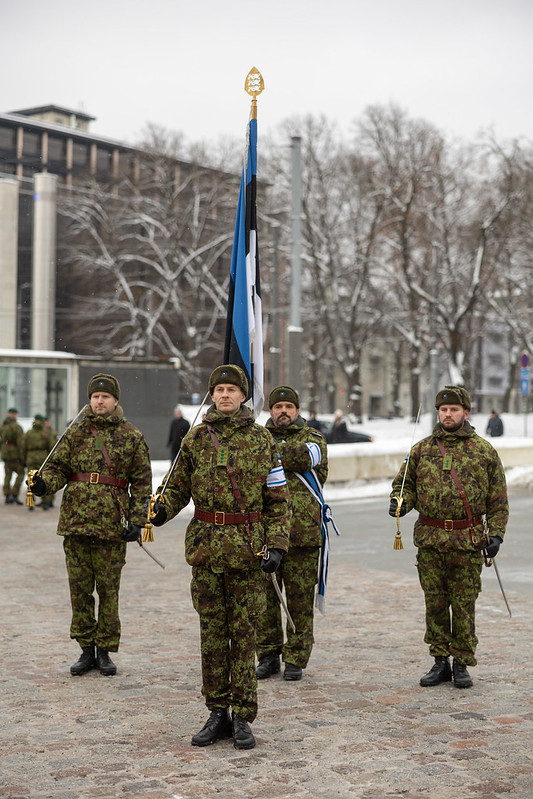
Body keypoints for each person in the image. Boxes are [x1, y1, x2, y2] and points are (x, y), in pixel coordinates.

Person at [148, 365, 290, 750]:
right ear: (211, 395)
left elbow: (278, 500)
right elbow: (176, 488)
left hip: (248, 551)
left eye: (232, 389)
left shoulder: (263, 441)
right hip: (207, 550)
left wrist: (277, 545)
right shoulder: (195, 439)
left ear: (244, 396)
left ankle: (243, 715)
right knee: (211, 636)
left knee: (243, 636)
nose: (225, 395)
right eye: (219, 389)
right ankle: (217, 711)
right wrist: (160, 510)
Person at [28, 374, 152, 677]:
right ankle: (85, 649)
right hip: (76, 522)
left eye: (105, 397)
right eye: (95, 396)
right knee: (79, 590)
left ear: (115, 401)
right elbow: (58, 468)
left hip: (112, 525)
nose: (99, 401)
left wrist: (137, 521)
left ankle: (105, 650)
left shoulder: (131, 435)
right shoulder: (74, 432)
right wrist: (45, 485)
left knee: (109, 591)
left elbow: (142, 482)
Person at [388, 385, 508, 689]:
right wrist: (400, 503)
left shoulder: (484, 451)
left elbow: (498, 501)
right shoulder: (422, 449)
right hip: (430, 540)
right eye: (444, 410)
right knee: (436, 604)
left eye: (454, 410)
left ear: (465, 413)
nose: (448, 415)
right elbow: (405, 485)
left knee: (464, 604)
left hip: (467, 541)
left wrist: (496, 535)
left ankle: (462, 662)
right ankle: (440, 660)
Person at [256, 386, 328, 682]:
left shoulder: (314, 437)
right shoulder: (257, 436)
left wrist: (265, 452)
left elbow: (306, 457)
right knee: (266, 600)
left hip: (303, 534)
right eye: (277, 407)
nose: (283, 411)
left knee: (299, 600)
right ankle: (268, 655)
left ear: (297, 410)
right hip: (266, 533)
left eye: (288, 406)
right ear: (270, 410)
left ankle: (296, 657)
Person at [23, 414, 56, 510]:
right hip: (42, 457)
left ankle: (30, 501)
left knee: (30, 479)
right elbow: (51, 446)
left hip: (31, 457)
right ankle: (45, 502)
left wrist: (24, 459)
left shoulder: (29, 433)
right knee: (43, 479)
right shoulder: (47, 433)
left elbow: (23, 446)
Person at [1, 407, 25, 505]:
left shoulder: (3, 426)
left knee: (7, 474)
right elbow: (21, 443)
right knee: (21, 473)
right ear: (14, 415)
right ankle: (14, 494)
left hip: (6, 454)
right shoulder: (17, 427)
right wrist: (22, 456)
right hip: (15, 454)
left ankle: (7, 495)